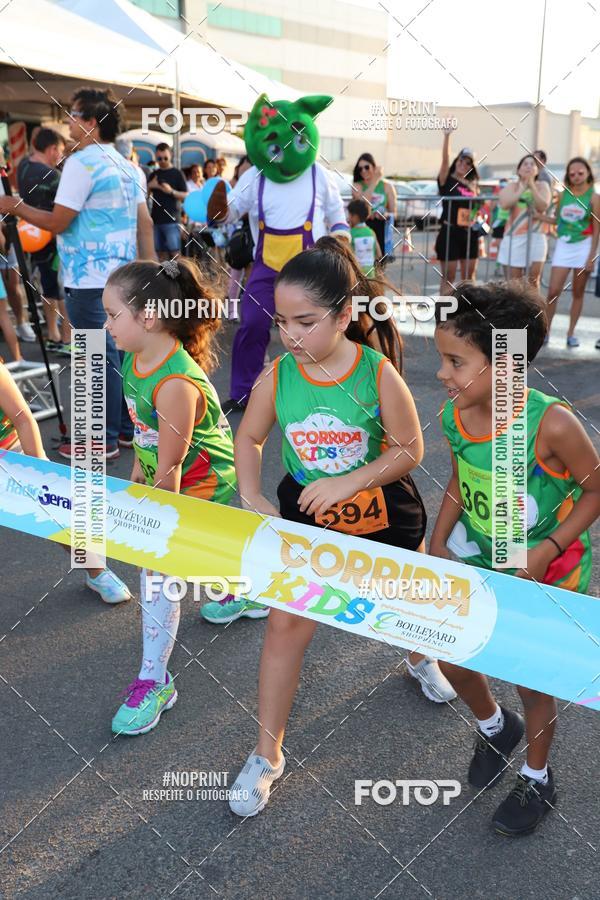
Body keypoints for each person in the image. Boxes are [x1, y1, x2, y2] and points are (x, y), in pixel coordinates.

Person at [227, 237, 457, 817]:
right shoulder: (280, 376)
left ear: (346, 315)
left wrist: (352, 482)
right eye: (283, 321)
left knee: (403, 608)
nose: (292, 335)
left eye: (306, 322)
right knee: (284, 629)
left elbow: (410, 448)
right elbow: (250, 437)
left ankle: (416, 656)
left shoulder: (376, 371)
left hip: (385, 517)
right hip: (308, 522)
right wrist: (251, 492)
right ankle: (267, 754)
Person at [429, 280, 600, 836]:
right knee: (451, 656)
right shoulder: (458, 414)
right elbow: (459, 478)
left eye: (456, 361)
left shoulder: (552, 424)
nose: (443, 374)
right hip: (481, 554)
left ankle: (537, 775)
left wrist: (546, 548)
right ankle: (496, 727)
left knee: (531, 678)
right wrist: (439, 540)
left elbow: (595, 489)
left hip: (547, 569)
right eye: (442, 359)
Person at [103, 257, 246, 735]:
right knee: (201, 558)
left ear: (150, 317)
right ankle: (239, 588)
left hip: (204, 483)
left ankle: (154, 680)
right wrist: (132, 482)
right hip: (172, 474)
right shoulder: (134, 356)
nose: (106, 325)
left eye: (112, 314)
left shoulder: (174, 386)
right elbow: (146, 443)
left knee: (159, 569)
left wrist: (146, 526)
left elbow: (171, 472)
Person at [0, 87, 157, 460]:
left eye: (73, 114)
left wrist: (14, 206)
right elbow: (146, 224)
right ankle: (121, 431)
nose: (68, 121)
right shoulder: (128, 164)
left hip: (88, 280)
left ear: (90, 123)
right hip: (124, 277)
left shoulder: (80, 163)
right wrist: (152, 273)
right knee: (117, 353)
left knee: (93, 356)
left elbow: (57, 221)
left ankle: (98, 440)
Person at [207, 93, 350, 415]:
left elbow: (336, 213)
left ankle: (316, 387)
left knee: (315, 330)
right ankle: (243, 391)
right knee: (253, 324)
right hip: (266, 266)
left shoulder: (319, 175)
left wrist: (341, 236)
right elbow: (229, 213)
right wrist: (218, 208)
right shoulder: (254, 175)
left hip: (309, 269)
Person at [0, 357, 131, 602]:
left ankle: (97, 571)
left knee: (55, 513)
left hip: (10, 453)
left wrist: (37, 467)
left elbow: (22, 418)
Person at [16, 126, 71, 353]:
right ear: (50, 149)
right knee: (67, 290)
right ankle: (68, 340)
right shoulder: (54, 176)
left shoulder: (23, 167)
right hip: (54, 237)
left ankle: (53, 334)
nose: (60, 155)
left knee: (48, 288)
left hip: (30, 235)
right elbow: (67, 209)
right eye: (59, 150)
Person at [540, 157, 600, 348]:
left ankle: (571, 333)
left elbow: (597, 228)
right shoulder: (563, 194)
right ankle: (546, 332)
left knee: (578, 292)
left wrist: (592, 255)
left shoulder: (594, 197)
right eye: (572, 173)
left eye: (580, 173)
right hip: (564, 245)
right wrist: (539, 216)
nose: (576, 176)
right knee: (553, 291)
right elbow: (558, 220)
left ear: (588, 173)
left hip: (584, 245)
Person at [436, 128, 480, 294]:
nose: (464, 164)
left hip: (470, 233)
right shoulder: (447, 179)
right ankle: (444, 317)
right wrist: (447, 136)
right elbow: (445, 160)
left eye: (468, 163)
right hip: (450, 232)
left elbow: (476, 208)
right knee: (449, 275)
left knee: (469, 277)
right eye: (461, 160)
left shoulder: (473, 184)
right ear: (457, 161)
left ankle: (467, 315)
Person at [496, 154, 551, 288]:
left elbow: (543, 205)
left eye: (532, 164)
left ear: (537, 170)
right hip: (514, 237)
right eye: (525, 164)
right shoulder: (511, 186)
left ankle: (534, 309)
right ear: (518, 170)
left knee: (533, 282)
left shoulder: (542, 185)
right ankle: (516, 309)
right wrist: (522, 188)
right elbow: (504, 203)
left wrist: (531, 185)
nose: (528, 166)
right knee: (515, 283)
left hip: (536, 237)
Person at [351, 153, 396, 264]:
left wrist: (386, 215)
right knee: (363, 267)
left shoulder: (387, 186)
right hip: (364, 228)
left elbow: (394, 212)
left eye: (367, 167)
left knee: (380, 267)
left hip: (381, 226)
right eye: (360, 168)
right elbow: (362, 204)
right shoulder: (357, 186)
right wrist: (375, 180)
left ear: (374, 167)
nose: (363, 171)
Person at [147, 144, 188, 261]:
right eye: (159, 159)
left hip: (172, 221)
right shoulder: (153, 175)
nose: (162, 161)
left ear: (171, 155)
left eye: (165, 158)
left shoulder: (177, 173)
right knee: (161, 255)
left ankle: (177, 278)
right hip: (156, 221)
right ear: (156, 157)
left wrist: (171, 191)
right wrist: (150, 186)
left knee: (175, 254)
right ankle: (166, 278)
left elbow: (186, 196)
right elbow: (144, 197)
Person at [347, 197, 381, 274]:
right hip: (370, 273)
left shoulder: (350, 233)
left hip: (356, 274)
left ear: (355, 216)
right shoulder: (371, 232)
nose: (348, 218)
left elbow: (347, 254)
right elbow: (379, 254)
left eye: (349, 215)